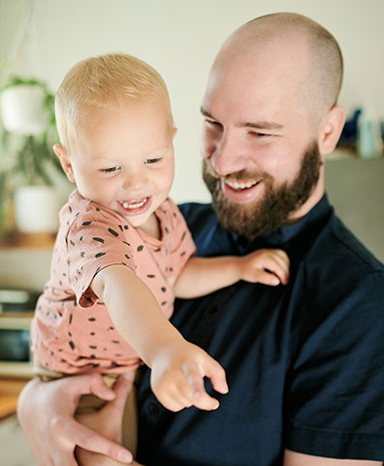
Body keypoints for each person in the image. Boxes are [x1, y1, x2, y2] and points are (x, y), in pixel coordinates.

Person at [18, 12, 384, 466]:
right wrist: (37, 409)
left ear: (327, 132)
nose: (222, 162)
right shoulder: (169, 222)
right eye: (213, 124)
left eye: (259, 133)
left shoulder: (360, 300)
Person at [32, 52, 291, 446]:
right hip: (78, 373)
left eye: (153, 159)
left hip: (119, 368)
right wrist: (163, 346)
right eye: (110, 169)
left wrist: (238, 267)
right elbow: (118, 285)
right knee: (106, 454)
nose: (137, 184)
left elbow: (177, 276)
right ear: (69, 165)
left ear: (171, 139)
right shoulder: (89, 224)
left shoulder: (165, 212)